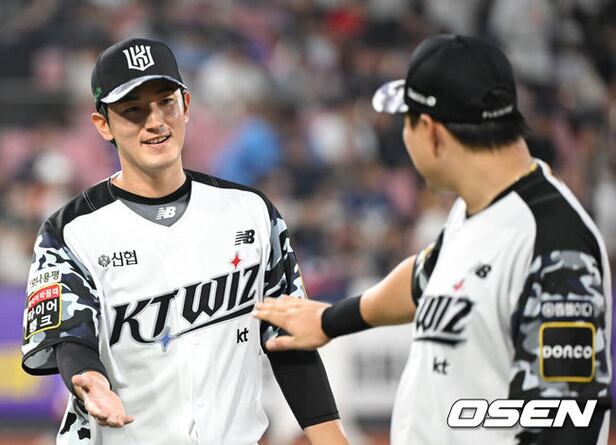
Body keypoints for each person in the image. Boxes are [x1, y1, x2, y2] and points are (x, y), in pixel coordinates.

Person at [254, 34, 612, 445]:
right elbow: (423, 277)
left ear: (431, 131)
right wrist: (329, 320)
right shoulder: (476, 209)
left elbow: (568, 425)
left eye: (406, 122)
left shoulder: (553, 242)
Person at [21, 37, 348, 445]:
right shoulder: (70, 230)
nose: (156, 122)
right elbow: (70, 339)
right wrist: (91, 381)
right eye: (133, 110)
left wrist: (331, 437)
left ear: (187, 105)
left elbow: (288, 339)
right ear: (103, 124)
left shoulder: (251, 211)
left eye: (166, 103)